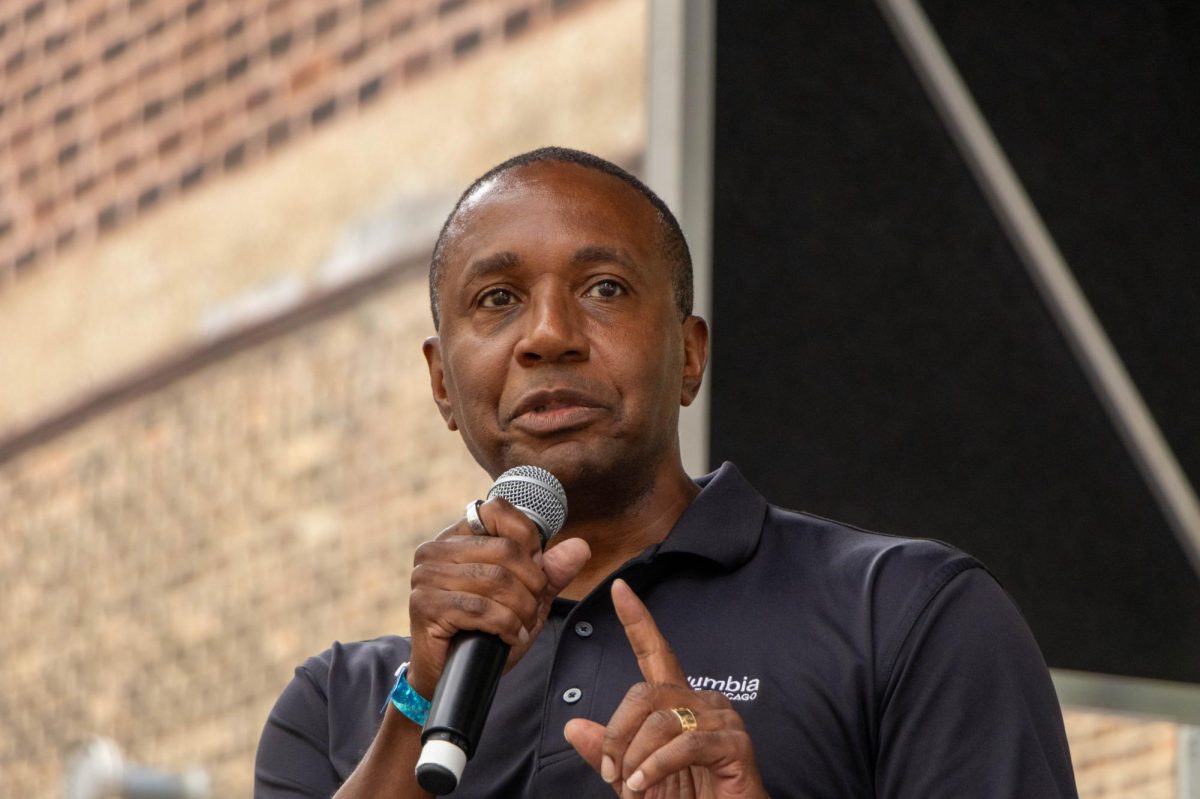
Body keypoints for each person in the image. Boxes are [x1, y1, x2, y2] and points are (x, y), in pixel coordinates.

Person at [255, 147, 1078, 798]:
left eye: (604, 288)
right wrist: (419, 707)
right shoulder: (335, 703)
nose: (548, 335)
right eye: (498, 299)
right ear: (442, 384)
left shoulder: (904, 616)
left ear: (688, 356)